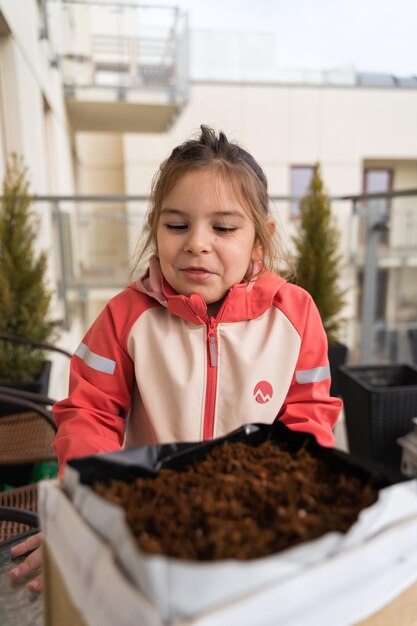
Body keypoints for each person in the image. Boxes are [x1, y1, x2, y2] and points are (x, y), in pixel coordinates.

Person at [9, 125, 342, 591]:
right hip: (147, 524)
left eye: (223, 228)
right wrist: (82, 511)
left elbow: (308, 418)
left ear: (259, 240)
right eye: (177, 225)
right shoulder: (124, 316)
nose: (196, 243)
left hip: (252, 525)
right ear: (155, 229)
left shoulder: (296, 314)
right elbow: (89, 414)